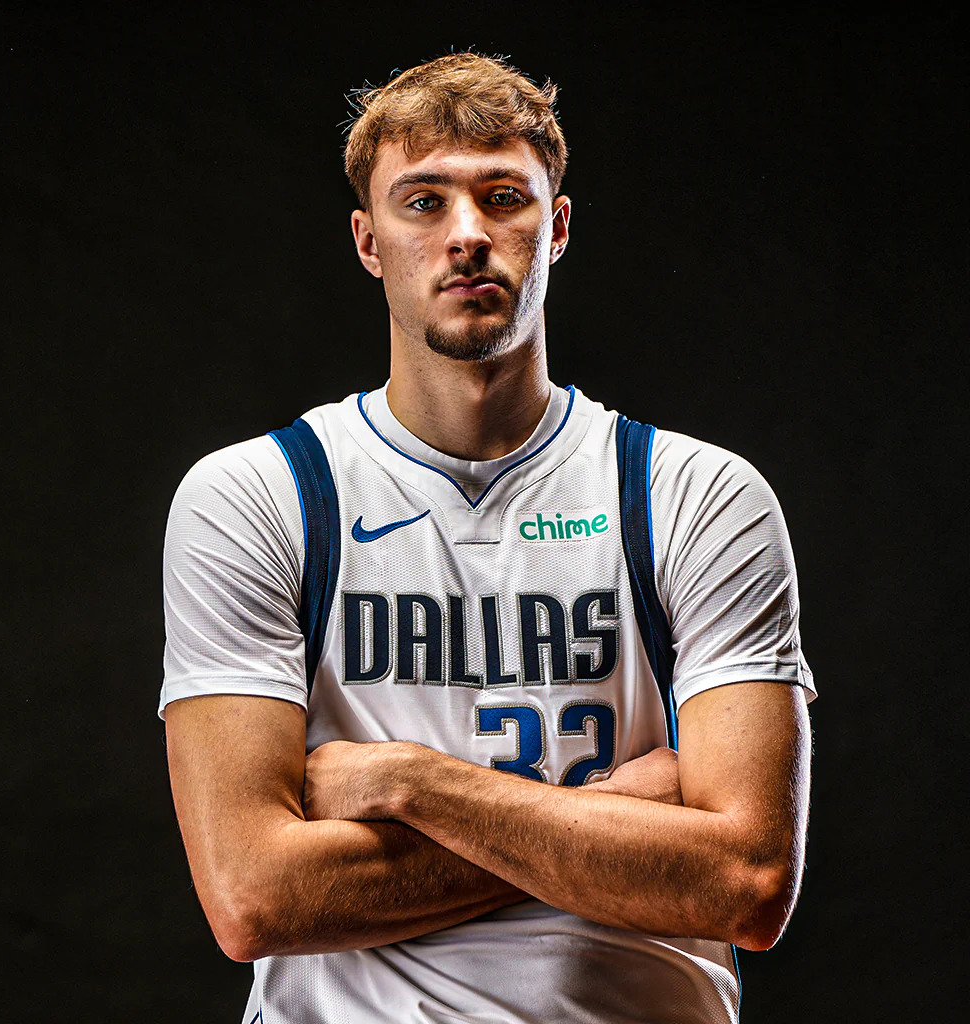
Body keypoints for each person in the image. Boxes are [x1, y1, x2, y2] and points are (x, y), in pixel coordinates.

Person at [159, 52, 815, 1024]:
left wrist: (410, 783)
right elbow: (255, 898)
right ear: (368, 241)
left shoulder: (696, 494)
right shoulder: (258, 496)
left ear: (556, 227)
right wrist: (618, 816)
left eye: (502, 198)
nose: (467, 234)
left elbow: (748, 882)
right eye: (423, 202)